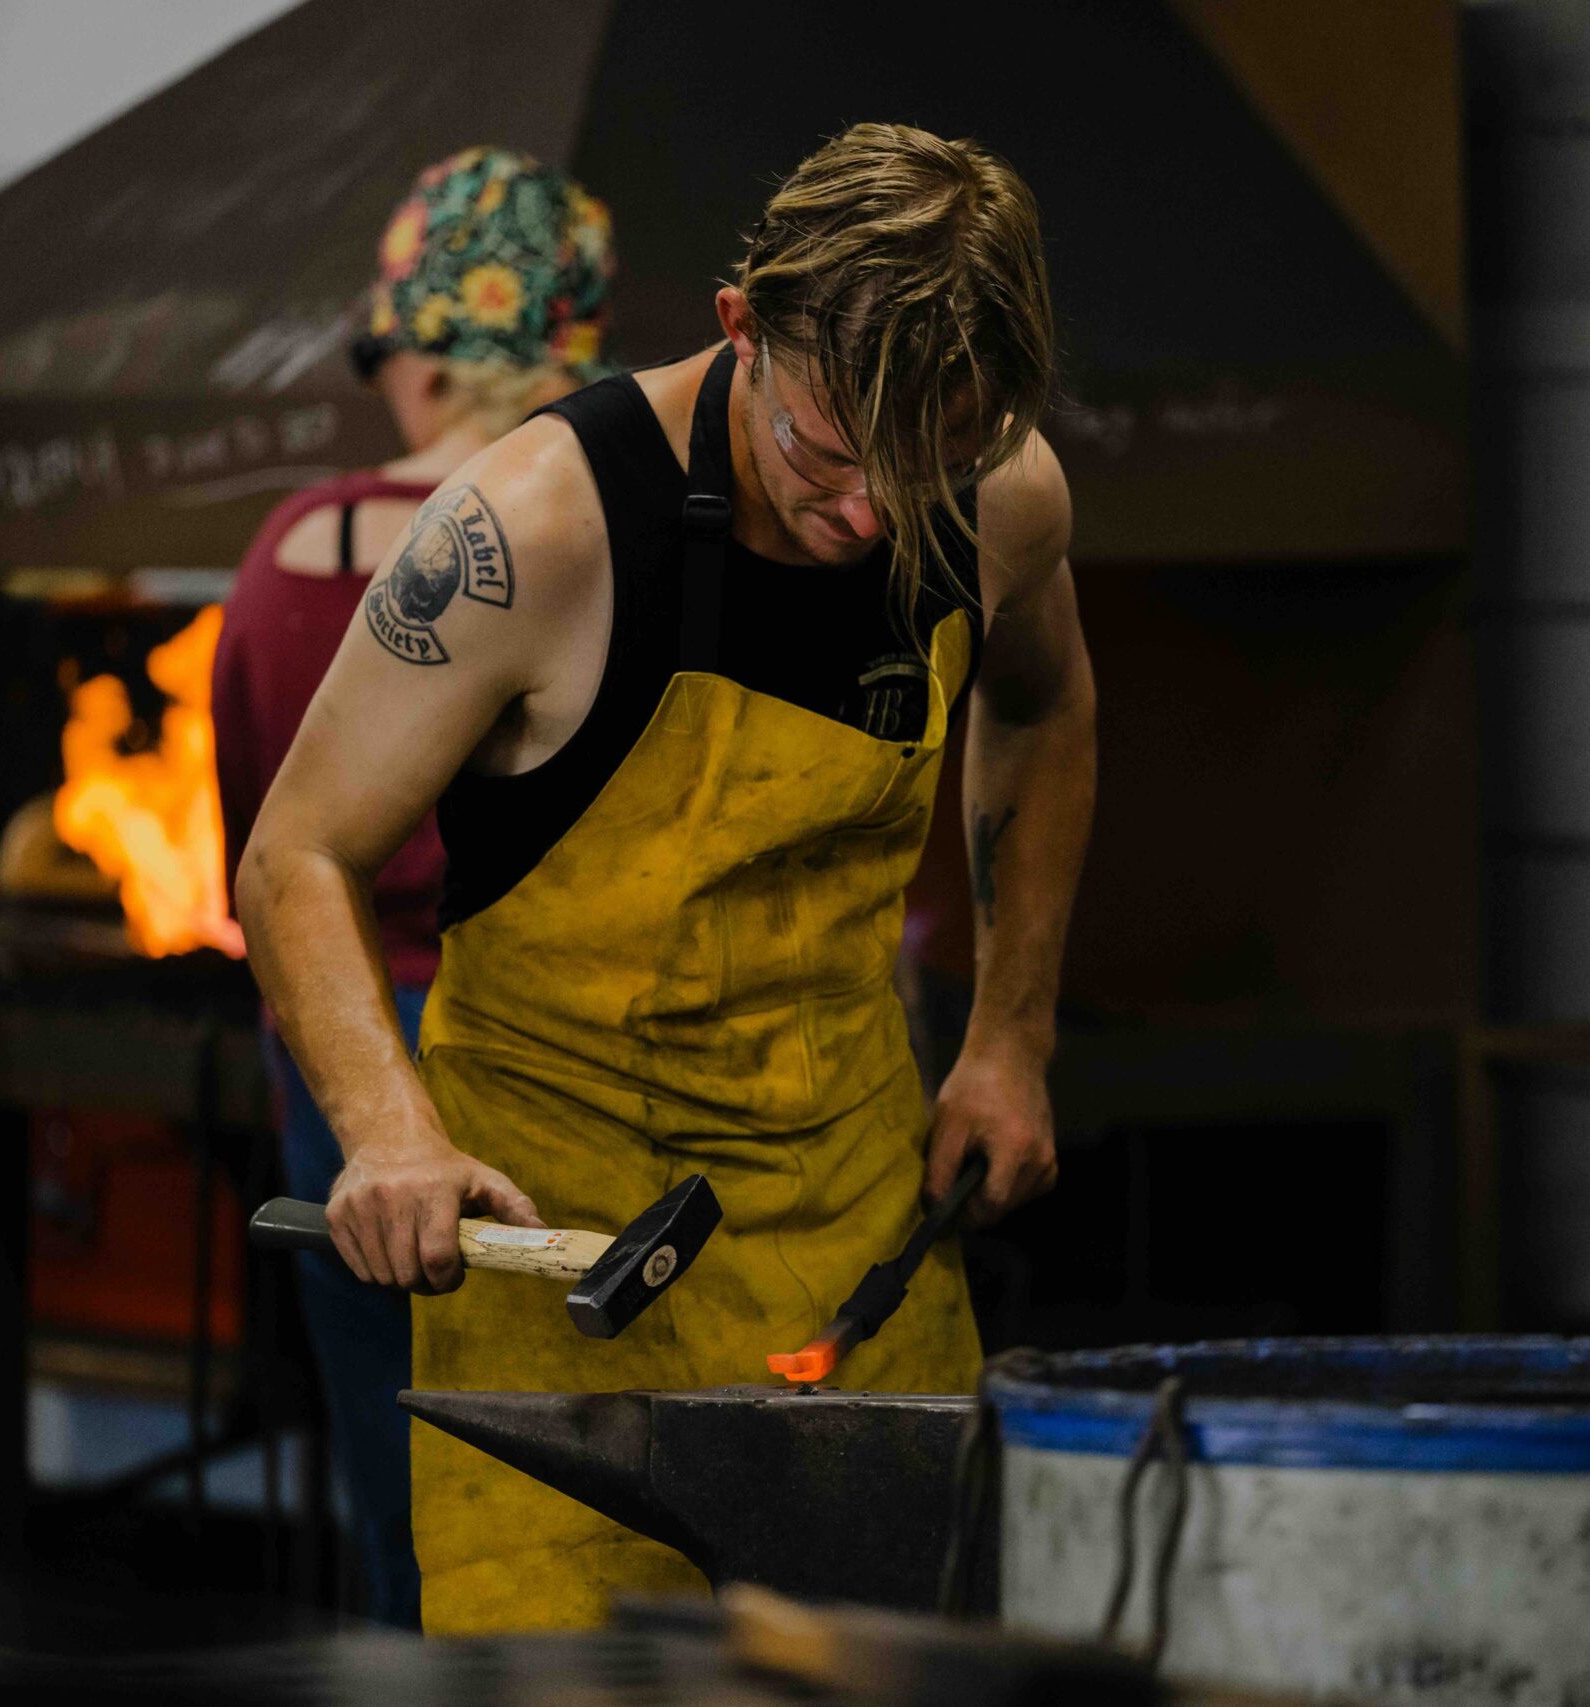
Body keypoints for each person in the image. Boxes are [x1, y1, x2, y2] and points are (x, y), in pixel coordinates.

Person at [235, 122, 1095, 1634]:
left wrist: (1011, 1037)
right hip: (560, 1261)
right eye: (828, 453)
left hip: (855, 1218)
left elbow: (1045, 707)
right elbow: (297, 852)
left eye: (927, 467)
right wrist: (389, 1133)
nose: (872, 517)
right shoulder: (534, 529)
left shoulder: (1004, 498)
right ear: (742, 327)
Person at [211, 144, 618, 1628]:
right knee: (592, 1500)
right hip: (556, 1049)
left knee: (408, 1510)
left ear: (433, 364)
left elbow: (264, 851)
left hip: (341, 1054)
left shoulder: (293, 551)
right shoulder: (599, 540)